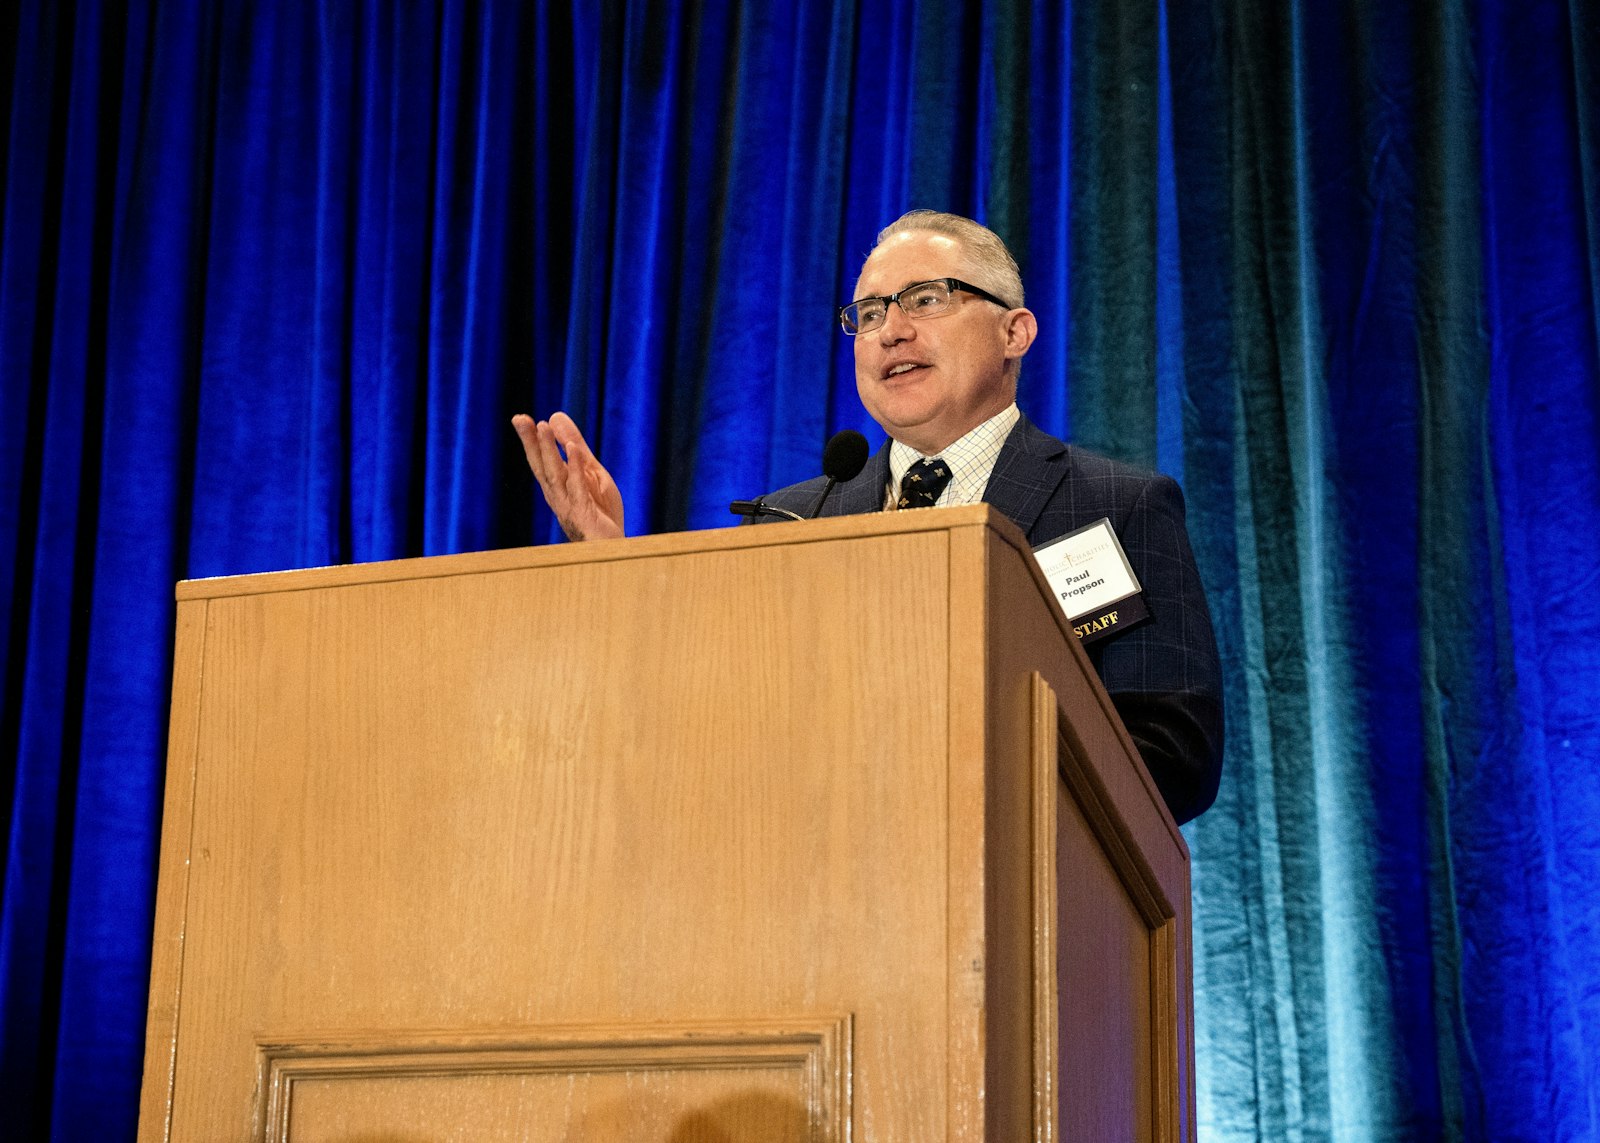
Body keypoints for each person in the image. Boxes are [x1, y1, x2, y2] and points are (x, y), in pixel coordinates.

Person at [513, 210, 1223, 823]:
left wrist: (953, 776)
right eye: (871, 313)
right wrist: (607, 561)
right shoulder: (788, 522)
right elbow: (700, 721)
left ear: (1016, 332)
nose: (891, 331)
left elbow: (1173, 755)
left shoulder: (1115, 507)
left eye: (924, 299)